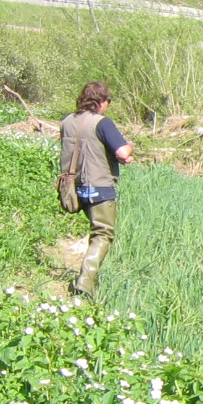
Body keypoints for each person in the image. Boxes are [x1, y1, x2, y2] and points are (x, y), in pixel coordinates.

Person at [59, 81, 134, 298]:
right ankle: (86, 281)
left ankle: (87, 278)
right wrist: (129, 147)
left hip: (74, 186)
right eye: (108, 101)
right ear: (101, 102)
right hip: (99, 185)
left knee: (96, 231)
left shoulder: (67, 121)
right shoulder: (102, 123)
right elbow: (121, 152)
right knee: (103, 233)